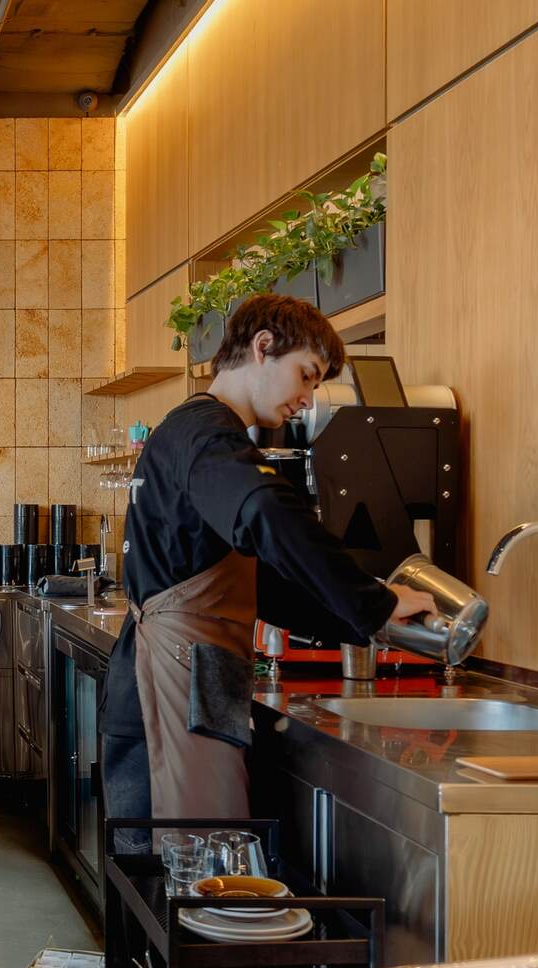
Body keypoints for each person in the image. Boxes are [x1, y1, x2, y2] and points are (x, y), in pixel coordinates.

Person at [99, 294, 436, 850]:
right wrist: (374, 602)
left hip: (173, 683)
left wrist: (366, 622)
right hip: (173, 690)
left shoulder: (188, 429)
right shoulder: (208, 434)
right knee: (191, 884)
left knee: (174, 885)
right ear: (262, 347)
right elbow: (265, 512)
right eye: (306, 375)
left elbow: (259, 583)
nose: (306, 400)